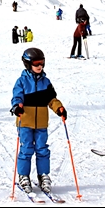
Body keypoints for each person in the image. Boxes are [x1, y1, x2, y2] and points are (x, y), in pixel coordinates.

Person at [11, 47, 67, 194]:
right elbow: (16, 97)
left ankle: (43, 175)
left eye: (41, 63)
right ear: (28, 64)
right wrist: (17, 107)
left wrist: (59, 108)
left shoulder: (46, 82)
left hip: (41, 122)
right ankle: (23, 175)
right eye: (36, 64)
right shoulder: (21, 81)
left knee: (42, 149)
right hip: (25, 122)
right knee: (26, 148)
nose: (39, 66)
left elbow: (51, 99)